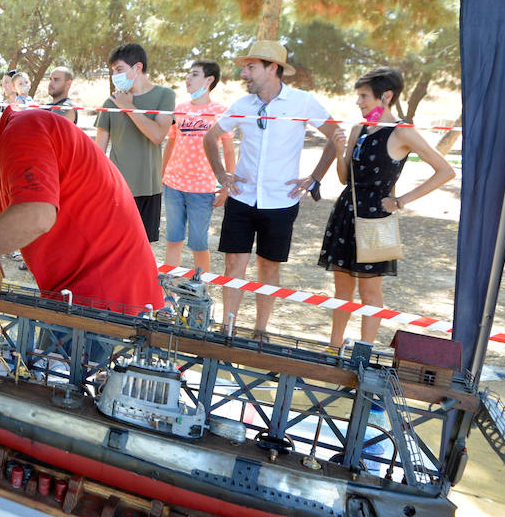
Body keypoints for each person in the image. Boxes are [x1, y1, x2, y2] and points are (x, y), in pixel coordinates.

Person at [0, 91, 163, 314]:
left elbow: (35, 216)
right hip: (79, 293)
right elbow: (0, 216)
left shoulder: (24, 131)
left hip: (105, 295)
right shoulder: (8, 146)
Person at [202, 39, 340, 338]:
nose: (244, 75)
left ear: (273, 68)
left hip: (281, 202)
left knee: (269, 268)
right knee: (234, 263)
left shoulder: (302, 102)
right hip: (241, 199)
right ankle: (227, 328)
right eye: (245, 68)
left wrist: (315, 177)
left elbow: (336, 135)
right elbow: (210, 137)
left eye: (251, 68)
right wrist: (221, 174)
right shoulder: (241, 105)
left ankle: (261, 331)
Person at [317, 68, 454, 347]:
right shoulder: (359, 129)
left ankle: (363, 352)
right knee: (342, 289)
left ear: (386, 96)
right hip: (346, 211)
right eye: (358, 96)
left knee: (370, 291)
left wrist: (401, 201)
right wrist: (342, 149)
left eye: (364, 96)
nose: (359, 102)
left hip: (375, 218)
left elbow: (445, 171)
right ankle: (333, 348)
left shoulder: (402, 131)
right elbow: (345, 178)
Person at [94, 43, 176, 242]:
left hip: (150, 188)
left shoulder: (165, 96)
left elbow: (157, 135)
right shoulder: (110, 103)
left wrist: (129, 107)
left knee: (143, 247)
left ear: (137, 68)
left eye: (119, 69)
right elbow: (97, 151)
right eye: (113, 71)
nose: (115, 76)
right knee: (115, 245)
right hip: (117, 189)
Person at [161, 60, 234, 272]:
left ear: (209, 80)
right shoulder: (180, 109)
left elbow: (229, 150)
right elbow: (171, 143)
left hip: (202, 189)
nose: (188, 79)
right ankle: (169, 289)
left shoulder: (221, 111)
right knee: (173, 239)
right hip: (173, 185)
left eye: (194, 74)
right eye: (188, 74)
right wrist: (162, 174)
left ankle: (201, 289)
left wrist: (227, 185)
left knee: (198, 244)